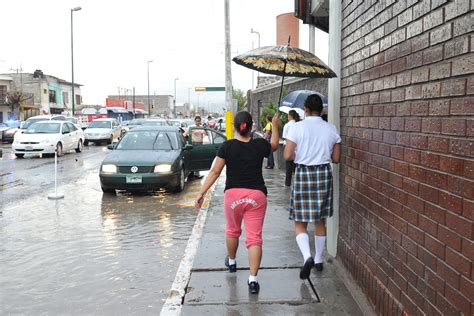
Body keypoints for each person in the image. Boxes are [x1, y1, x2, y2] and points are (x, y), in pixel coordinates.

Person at [195, 111, 280, 294]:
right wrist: (275, 124)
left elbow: (215, 172)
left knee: (232, 231)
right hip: (257, 197)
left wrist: (201, 193)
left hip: (233, 196)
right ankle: (253, 280)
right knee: (254, 238)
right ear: (251, 127)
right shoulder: (259, 144)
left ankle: (232, 262)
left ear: (234, 126)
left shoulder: (227, 146)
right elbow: (274, 145)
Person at [283, 94, 341, 279]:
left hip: (303, 174)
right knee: (320, 220)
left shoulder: (297, 128)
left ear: (305, 109)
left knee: (300, 222)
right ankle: (318, 260)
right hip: (323, 174)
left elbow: (287, 155)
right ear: (321, 110)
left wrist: (300, 154)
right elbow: (336, 159)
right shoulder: (331, 129)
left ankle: (307, 256)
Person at [282, 110, 301, 187]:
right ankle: (297, 182)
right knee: (296, 166)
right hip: (297, 147)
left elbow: (285, 137)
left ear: (290, 116)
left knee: (288, 166)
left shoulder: (287, 125)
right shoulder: (298, 125)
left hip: (287, 146)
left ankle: (288, 183)